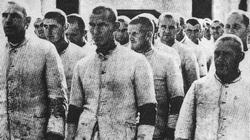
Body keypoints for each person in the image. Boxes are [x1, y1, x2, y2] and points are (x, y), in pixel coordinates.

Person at [66, 5, 157, 140]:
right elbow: (74, 109)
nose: (96, 31)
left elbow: (148, 109)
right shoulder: (82, 65)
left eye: (102, 25)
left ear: (115, 26)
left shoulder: (137, 62)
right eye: (92, 25)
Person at [0, 1, 67, 139]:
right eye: (5, 15)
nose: (8, 21)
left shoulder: (45, 49)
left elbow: (58, 100)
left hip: (35, 134)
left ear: (27, 21)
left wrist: (54, 134)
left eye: (15, 16)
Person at [175, 34, 249, 140]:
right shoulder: (198, 87)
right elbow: (183, 130)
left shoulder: (247, 89)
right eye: (217, 54)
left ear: (240, 57)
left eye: (226, 54)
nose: (220, 59)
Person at [128, 16, 184, 140]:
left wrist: (170, 133)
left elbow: (177, 100)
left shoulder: (167, 61)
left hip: (157, 133)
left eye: (135, 34)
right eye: (129, 33)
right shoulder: (124, 61)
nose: (130, 38)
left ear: (148, 35)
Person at [43, 9, 86, 98]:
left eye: (53, 26)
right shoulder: (39, 53)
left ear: (65, 27)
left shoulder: (81, 55)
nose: (49, 31)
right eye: (45, 26)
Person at [158, 12, 199, 93]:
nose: (167, 31)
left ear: (178, 29)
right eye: (163, 27)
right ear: (157, 28)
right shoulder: (152, 49)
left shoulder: (186, 53)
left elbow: (193, 85)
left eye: (171, 27)